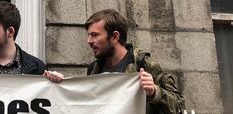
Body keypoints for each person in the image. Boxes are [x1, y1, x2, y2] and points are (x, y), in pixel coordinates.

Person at [44, 9, 185, 114]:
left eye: (94, 35)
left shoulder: (143, 64)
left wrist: (154, 92)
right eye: (89, 35)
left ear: (115, 37)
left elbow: (179, 106)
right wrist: (62, 86)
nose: (89, 41)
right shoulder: (94, 69)